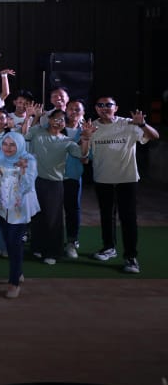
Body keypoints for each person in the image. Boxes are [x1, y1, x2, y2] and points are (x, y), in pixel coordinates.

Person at [88, 96, 159, 274]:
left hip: (127, 179)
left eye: (108, 105)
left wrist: (142, 124)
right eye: (100, 105)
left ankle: (130, 257)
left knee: (128, 219)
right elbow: (84, 153)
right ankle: (108, 248)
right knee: (106, 216)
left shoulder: (129, 124)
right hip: (102, 179)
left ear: (116, 108)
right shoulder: (91, 127)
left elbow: (154, 136)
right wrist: (85, 137)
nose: (104, 108)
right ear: (96, 109)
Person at [21, 104, 90, 265]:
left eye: (62, 120)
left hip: (55, 184)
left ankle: (52, 252)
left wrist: (86, 138)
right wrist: (29, 117)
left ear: (65, 124)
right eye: (56, 118)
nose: (58, 122)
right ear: (49, 120)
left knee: (53, 219)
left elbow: (83, 154)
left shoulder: (67, 141)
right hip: (36, 181)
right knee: (36, 216)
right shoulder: (38, 132)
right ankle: (37, 247)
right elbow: (24, 135)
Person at [0, 132, 40, 299]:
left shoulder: (29, 160)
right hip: (2, 207)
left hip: (20, 209)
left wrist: (22, 170)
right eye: (5, 144)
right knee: (9, 243)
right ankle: (17, 273)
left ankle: (14, 282)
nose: (8, 148)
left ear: (20, 145)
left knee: (14, 243)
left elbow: (27, 187)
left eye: (12, 145)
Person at [62, 99, 89, 259]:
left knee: (72, 210)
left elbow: (86, 158)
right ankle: (51, 241)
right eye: (71, 109)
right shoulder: (56, 127)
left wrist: (85, 140)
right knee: (51, 211)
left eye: (77, 109)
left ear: (83, 113)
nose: (74, 112)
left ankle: (72, 242)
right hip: (53, 176)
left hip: (73, 176)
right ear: (66, 110)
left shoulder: (86, 131)